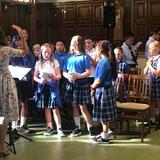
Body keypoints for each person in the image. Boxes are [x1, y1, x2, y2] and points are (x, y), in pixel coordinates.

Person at [0, 24, 28, 156]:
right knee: (4, 115)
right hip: (4, 83)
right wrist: (22, 36)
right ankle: (1, 147)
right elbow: (25, 52)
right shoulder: (5, 49)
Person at [63, 35, 95, 137]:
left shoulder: (84, 56)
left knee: (83, 107)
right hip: (71, 84)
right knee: (74, 106)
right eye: (73, 41)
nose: (74, 43)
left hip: (82, 83)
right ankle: (78, 128)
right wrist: (67, 76)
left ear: (80, 43)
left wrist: (78, 76)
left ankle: (91, 128)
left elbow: (88, 72)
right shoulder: (69, 57)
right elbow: (64, 71)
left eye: (76, 41)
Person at [33, 43, 65, 137]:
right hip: (43, 86)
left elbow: (59, 75)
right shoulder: (38, 63)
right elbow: (35, 77)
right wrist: (40, 80)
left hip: (52, 86)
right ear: (41, 53)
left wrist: (54, 77)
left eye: (49, 52)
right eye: (45, 52)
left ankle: (59, 128)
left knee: (55, 107)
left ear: (51, 53)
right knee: (46, 108)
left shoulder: (54, 62)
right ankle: (50, 127)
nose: (47, 54)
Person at [90, 40, 117, 143]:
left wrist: (92, 87)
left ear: (100, 50)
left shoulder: (104, 62)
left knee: (104, 116)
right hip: (105, 90)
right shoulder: (105, 60)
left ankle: (104, 136)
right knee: (104, 115)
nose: (96, 51)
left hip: (103, 91)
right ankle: (104, 134)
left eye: (96, 49)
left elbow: (98, 80)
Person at [9, 29, 35, 133]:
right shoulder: (11, 53)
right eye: (17, 41)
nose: (19, 43)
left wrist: (24, 56)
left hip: (25, 80)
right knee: (15, 103)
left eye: (20, 40)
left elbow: (30, 65)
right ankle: (14, 126)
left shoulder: (28, 52)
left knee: (24, 102)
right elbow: (8, 65)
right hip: (14, 81)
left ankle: (23, 124)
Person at [144, 41, 160, 129]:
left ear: (157, 49)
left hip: (157, 83)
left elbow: (158, 73)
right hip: (151, 83)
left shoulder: (159, 59)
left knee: (158, 102)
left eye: (151, 48)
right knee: (151, 102)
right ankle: (152, 120)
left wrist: (150, 66)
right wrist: (147, 65)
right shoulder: (151, 59)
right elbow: (144, 72)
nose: (149, 50)